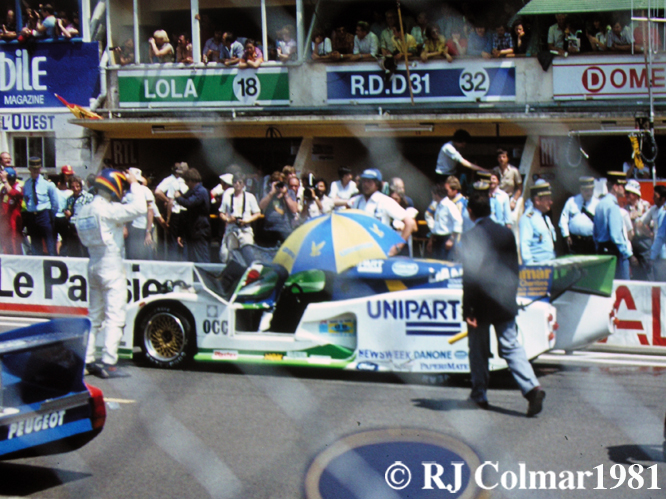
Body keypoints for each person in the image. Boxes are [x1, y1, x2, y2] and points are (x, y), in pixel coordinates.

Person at [461, 188, 545, 416]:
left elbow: (470, 277)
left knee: (478, 350)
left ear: (470, 212)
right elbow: (514, 269)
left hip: (480, 303)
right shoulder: (506, 234)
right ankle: (531, 387)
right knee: (511, 346)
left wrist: (467, 308)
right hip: (504, 299)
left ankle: (479, 395)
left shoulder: (470, 238)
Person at [76, 169, 146, 379]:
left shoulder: (84, 210)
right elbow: (140, 207)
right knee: (115, 316)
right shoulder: (108, 209)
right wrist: (134, 183)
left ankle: (87, 360)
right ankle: (108, 362)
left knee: (94, 316)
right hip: (110, 263)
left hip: (93, 261)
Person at [347, 169, 416, 256]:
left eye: (369, 182)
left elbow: (410, 223)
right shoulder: (356, 201)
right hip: (358, 250)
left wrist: (397, 247)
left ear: (377, 184)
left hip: (379, 251)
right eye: (364, 181)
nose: (366, 184)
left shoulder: (385, 201)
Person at [594, 171, 637, 279]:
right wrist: (629, 255)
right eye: (622, 186)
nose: (625, 190)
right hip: (614, 252)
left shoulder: (600, 204)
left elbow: (595, 232)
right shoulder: (613, 206)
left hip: (602, 250)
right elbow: (615, 235)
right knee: (622, 286)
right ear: (615, 186)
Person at [219, 174, 261, 264]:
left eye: (240, 182)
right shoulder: (227, 196)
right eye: (235, 182)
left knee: (248, 253)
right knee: (231, 255)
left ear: (243, 184)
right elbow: (221, 213)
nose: (237, 184)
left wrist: (247, 220)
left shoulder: (250, 197)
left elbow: (257, 213)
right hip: (231, 229)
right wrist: (228, 219)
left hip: (245, 229)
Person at [23, 157, 60, 256]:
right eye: (33, 168)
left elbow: (55, 203)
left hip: (44, 215)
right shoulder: (26, 184)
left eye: (37, 168)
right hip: (32, 216)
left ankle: (53, 263)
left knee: (50, 243)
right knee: (35, 243)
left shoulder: (48, 184)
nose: (35, 170)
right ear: (29, 169)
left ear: (40, 169)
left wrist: (49, 216)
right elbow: (26, 200)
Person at [173, 168, 211, 263]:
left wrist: (178, 198)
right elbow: (186, 197)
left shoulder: (201, 191)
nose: (186, 184)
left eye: (186, 182)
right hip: (193, 230)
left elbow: (189, 203)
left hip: (200, 230)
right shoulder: (192, 191)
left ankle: (206, 276)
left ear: (191, 181)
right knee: (193, 257)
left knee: (202, 257)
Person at [155, 162, 188, 261]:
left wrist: (168, 218)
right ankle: (186, 261)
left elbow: (169, 201)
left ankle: (173, 262)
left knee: (173, 240)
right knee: (185, 240)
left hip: (175, 213)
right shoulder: (190, 183)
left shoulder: (173, 183)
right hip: (186, 213)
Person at [559, 176, 598, 255]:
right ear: (581, 189)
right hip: (575, 241)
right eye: (587, 191)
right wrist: (566, 235)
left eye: (591, 190)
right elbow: (563, 220)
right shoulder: (572, 201)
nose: (589, 193)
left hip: (591, 242)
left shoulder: (597, 204)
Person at [519, 182, 556, 264]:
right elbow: (524, 245)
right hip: (538, 267)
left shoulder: (545, 218)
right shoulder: (528, 219)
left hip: (550, 263)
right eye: (547, 199)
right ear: (537, 201)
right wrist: (530, 266)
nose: (551, 202)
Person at [124, 168, 155, 261]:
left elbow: (150, 211)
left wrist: (148, 232)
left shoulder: (145, 190)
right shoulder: (128, 192)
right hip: (132, 228)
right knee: (132, 256)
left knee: (146, 256)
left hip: (143, 228)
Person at [624, 180, 652, 280]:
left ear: (635, 194)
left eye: (628, 193)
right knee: (635, 271)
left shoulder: (645, 205)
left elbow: (650, 222)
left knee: (647, 270)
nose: (626, 195)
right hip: (633, 242)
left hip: (644, 242)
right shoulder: (625, 208)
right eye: (626, 192)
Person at [427, 183, 462, 260]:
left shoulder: (449, 205)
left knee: (444, 263)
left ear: (437, 194)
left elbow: (458, 222)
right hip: (437, 239)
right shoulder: (438, 205)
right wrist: (431, 239)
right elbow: (436, 224)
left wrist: (451, 240)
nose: (432, 196)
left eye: (433, 194)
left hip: (446, 239)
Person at [259, 172, 293, 246]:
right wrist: (272, 192)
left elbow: (294, 209)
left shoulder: (289, 192)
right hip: (269, 229)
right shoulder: (268, 192)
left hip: (285, 229)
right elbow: (261, 206)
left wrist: (285, 194)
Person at [63, 175, 93, 257]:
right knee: (73, 251)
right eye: (73, 187)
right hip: (72, 227)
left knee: (85, 252)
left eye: (77, 186)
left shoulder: (88, 197)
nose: (75, 189)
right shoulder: (69, 199)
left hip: (84, 228)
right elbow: (66, 209)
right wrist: (67, 213)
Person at [0, 167, 23, 255]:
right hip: (5, 222)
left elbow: (14, 194)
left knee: (15, 245)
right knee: (6, 245)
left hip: (14, 222)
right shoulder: (3, 190)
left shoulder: (18, 187)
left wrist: (5, 181)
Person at [492, 148, 522, 213]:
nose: (501, 159)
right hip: (496, 199)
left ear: (508, 158)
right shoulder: (495, 170)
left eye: (504, 157)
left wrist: (514, 201)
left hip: (509, 199)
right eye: (499, 157)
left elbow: (520, 188)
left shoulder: (514, 171)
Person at [649, 186, 666, 281]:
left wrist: (652, 257)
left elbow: (661, 236)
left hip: (663, 258)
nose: (653, 198)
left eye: (655, 196)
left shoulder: (663, 212)